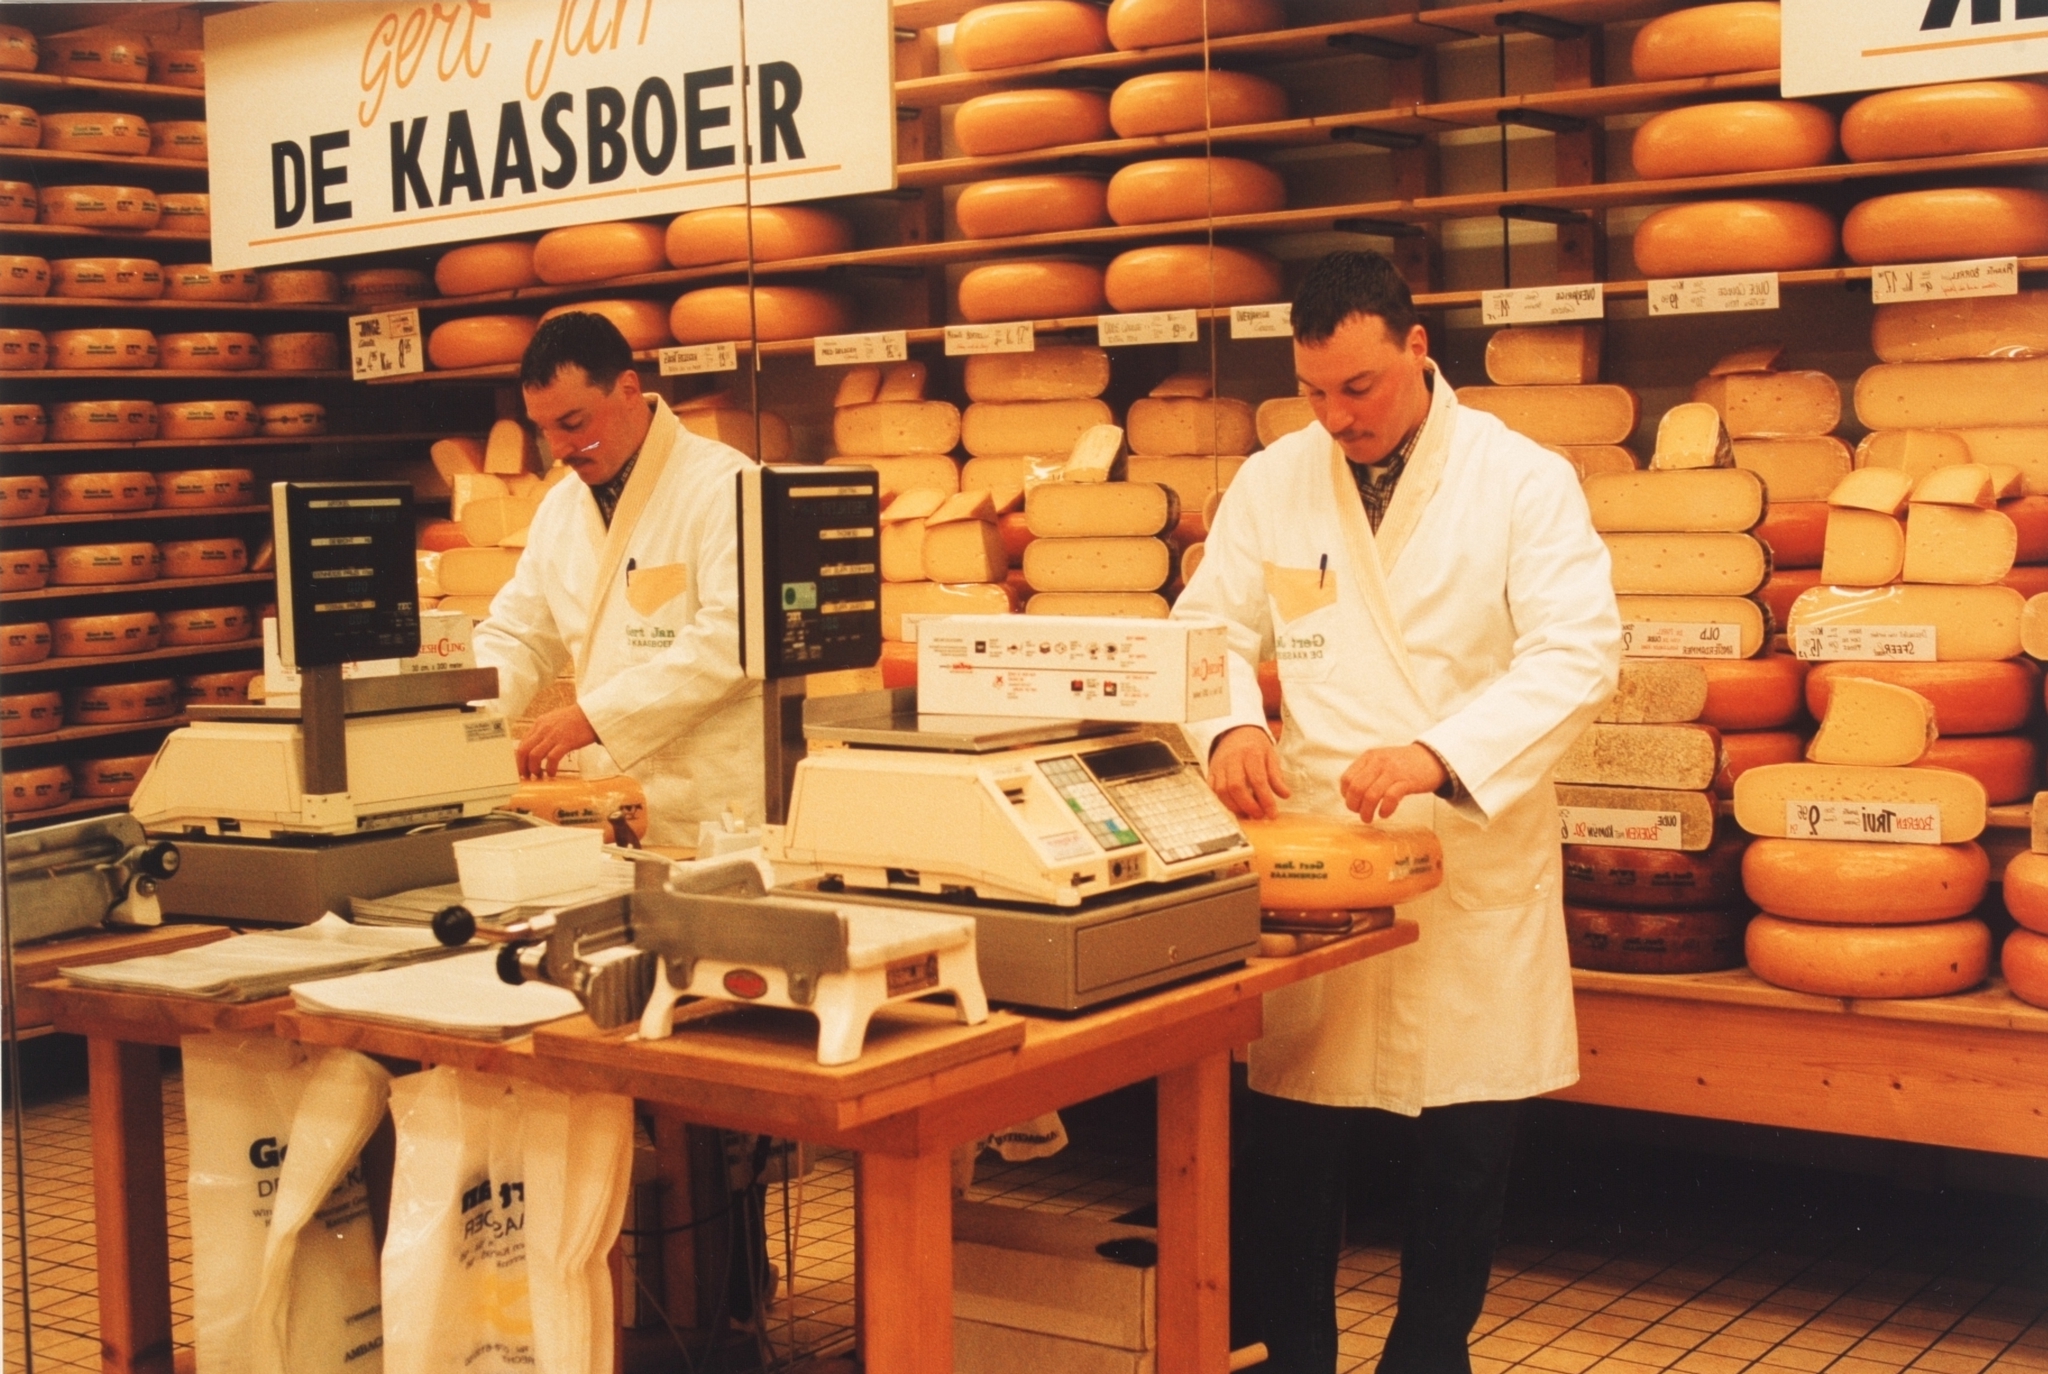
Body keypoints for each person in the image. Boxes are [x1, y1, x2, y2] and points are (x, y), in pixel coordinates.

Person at [1173, 250, 1622, 1373]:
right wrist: (1228, 726)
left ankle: (1429, 1354)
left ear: (1417, 349)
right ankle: (1293, 1357)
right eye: (1314, 392)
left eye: (1358, 388)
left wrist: (1439, 754)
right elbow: (1205, 632)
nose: (1337, 417)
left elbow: (1577, 653)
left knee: (1464, 1142)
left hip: (1465, 835)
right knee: (1293, 1135)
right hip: (1318, 843)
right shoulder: (1276, 479)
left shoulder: (1520, 479)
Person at [473, 312, 762, 847]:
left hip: (709, 810)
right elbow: (519, 636)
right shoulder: (560, 507)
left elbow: (735, 641)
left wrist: (596, 717)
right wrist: (465, 717)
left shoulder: (726, 486)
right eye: (544, 429)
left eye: (573, 423)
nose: (559, 448)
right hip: (607, 806)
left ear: (628, 389)